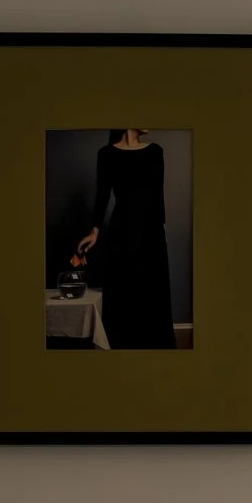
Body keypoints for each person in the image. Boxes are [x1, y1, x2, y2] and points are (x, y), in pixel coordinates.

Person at [71, 129, 177, 350]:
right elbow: (103, 194)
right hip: (122, 230)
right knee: (124, 295)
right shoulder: (106, 154)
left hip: (151, 232)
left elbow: (158, 196)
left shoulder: (156, 152)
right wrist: (95, 231)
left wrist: (162, 231)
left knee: (152, 296)